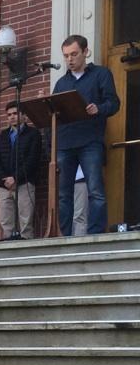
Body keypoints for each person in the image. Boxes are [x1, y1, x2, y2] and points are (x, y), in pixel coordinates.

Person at [53, 34, 120, 236]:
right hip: (65, 143)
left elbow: (114, 103)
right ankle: (63, 236)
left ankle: (95, 234)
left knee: (95, 191)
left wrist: (98, 109)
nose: (69, 60)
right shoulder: (61, 83)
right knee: (64, 194)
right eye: (66, 56)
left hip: (90, 141)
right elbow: (55, 116)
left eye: (74, 54)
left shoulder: (101, 74)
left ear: (85, 52)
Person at [0, 101, 42, 239]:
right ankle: (8, 249)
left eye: (15, 113)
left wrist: (15, 177)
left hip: (24, 183)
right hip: (4, 186)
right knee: (6, 222)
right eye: (9, 115)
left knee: (26, 222)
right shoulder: (1, 137)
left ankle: (27, 251)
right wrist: (5, 179)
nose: (11, 117)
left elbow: (32, 160)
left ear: (24, 116)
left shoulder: (33, 134)